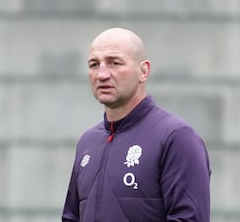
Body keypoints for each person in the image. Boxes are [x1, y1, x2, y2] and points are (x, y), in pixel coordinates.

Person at [62, 28, 211, 222]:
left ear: (143, 71)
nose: (102, 74)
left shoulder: (176, 137)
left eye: (114, 63)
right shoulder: (87, 142)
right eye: (94, 64)